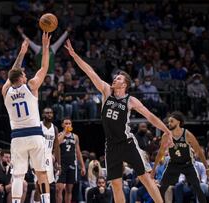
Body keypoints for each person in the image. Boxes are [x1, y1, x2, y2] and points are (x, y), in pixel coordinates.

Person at [64, 39, 173, 203]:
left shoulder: (131, 100)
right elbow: (90, 72)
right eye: (115, 78)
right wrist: (75, 56)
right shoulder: (106, 91)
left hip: (127, 143)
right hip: (111, 145)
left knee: (145, 178)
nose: (115, 79)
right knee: (115, 184)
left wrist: (167, 130)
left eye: (119, 79)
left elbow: (150, 116)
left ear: (125, 84)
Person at [2, 32, 51, 203]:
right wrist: (45, 47)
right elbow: (44, 68)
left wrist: (22, 53)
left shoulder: (5, 91)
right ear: (21, 78)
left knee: (18, 175)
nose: (25, 75)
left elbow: (11, 74)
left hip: (17, 137)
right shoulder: (30, 86)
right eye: (23, 73)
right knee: (42, 172)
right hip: (35, 135)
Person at [152, 112, 209, 203]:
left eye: (172, 121)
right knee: (162, 188)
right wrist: (153, 170)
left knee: (197, 188)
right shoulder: (166, 136)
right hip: (173, 164)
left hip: (187, 164)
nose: (169, 124)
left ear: (178, 122)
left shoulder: (187, 134)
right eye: (168, 122)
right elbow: (160, 153)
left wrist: (207, 168)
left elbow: (199, 151)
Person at [34, 107, 61, 203]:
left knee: (48, 184)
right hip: (38, 156)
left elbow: (57, 147)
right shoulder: (38, 126)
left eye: (51, 113)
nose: (49, 114)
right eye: (47, 113)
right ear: (42, 115)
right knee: (38, 184)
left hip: (48, 157)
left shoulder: (55, 128)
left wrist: (59, 163)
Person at [56, 118, 86, 203]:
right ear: (62, 125)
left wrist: (83, 166)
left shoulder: (75, 137)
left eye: (69, 123)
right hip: (61, 164)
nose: (68, 125)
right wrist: (65, 132)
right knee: (59, 189)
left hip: (72, 164)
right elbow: (57, 144)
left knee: (69, 189)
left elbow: (78, 152)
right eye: (66, 123)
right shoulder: (59, 135)